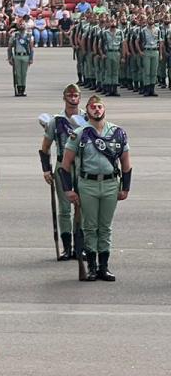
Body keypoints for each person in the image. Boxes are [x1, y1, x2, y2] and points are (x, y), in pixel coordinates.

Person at [60, 94, 130, 281]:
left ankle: (104, 267)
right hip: (87, 185)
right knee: (90, 227)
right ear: (87, 110)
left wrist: (126, 187)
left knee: (105, 227)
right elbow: (65, 165)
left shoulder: (117, 132)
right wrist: (68, 190)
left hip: (110, 184)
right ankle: (91, 266)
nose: (97, 110)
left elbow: (126, 162)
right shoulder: (80, 133)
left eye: (99, 106)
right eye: (93, 107)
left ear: (104, 109)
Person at [39, 85, 84, 261]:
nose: (73, 98)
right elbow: (45, 147)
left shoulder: (87, 118)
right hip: (62, 166)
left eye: (76, 95)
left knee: (81, 208)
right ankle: (67, 247)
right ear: (64, 98)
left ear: (80, 98)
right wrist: (46, 170)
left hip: (82, 166)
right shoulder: (55, 121)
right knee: (65, 209)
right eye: (70, 95)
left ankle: (80, 247)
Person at [7, 20, 35, 96]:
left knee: (24, 74)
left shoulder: (29, 36)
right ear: (18, 26)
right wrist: (9, 57)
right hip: (17, 56)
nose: (21, 26)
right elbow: (9, 47)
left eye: (23, 24)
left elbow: (31, 48)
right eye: (20, 24)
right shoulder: (14, 35)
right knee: (18, 74)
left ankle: (23, 89)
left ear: (25, 25)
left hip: (26, 55)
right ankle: (19, 89)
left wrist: (31, 58)